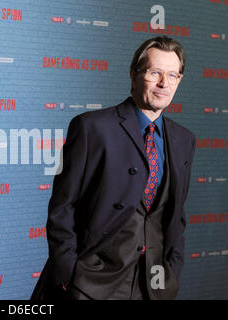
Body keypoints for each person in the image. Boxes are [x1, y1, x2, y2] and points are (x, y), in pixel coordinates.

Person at [32, 36, 196, 300]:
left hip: (153, 285)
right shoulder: (92, 128)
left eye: (172, 75)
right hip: (91, 283)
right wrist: (68, 273)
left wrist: (172, 271)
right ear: (133, 74)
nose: (164, 84)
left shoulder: (183, 139)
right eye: (155, 73)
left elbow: (175, 216)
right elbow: (63, 207)